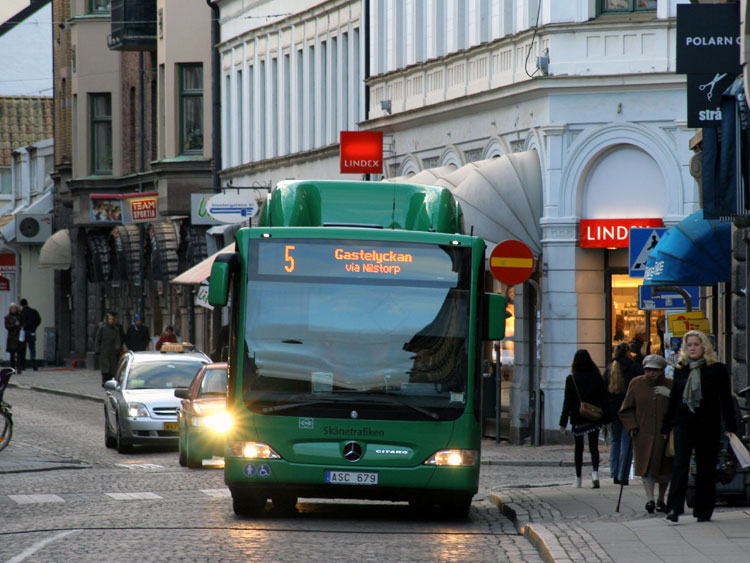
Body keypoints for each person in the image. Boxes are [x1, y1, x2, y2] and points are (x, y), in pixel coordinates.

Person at [661, 330, 736, 523]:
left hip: (707, 423)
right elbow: (674, 398)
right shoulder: (681, 368)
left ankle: (703, 509)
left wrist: (730, 425)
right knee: (680, 464)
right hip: (683, 422)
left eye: (696, 344)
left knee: (706, 467)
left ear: (704, 347)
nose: (692, 348)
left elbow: (725, 399)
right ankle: (674, 508)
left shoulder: (717, 369)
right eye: (689, 345)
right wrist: (666, 425)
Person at [618, 354, 673, 514]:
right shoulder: (636, 384)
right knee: (646, 469)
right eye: (648, 370)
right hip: (643, 434)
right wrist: (632, 426)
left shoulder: (670, 384)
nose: (651, 373)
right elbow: (626, 410)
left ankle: (661, 498)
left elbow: (678, 408)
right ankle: (650, 499)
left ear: (662, 370)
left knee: (665, 470)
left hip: (664, 435)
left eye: (655, 370)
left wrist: (669, 395)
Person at [559, 349, 609, 489]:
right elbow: (604, 398)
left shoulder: (571, 378)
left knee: (578, 448)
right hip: (594, 416)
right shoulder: (597, 377)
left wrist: (563, 422)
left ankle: (578, 478)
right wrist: (606, 418)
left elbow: (567, 402)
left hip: (578, 417)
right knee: (594, 447)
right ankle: (595, 474)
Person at [604, 341, 644, 485]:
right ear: (628, 353)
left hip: (613, 410)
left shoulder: (610, 368)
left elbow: (604, 392)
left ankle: (614, 473)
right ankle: (623, 475)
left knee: (615, 441)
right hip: (629, 410)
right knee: (627, 442)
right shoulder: (634, 368)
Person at [95, 313, 122, 386]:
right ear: (107, 320)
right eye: (110, 319)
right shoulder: (102, 328)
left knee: (112, 368)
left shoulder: (116, 329)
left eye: (112, 319)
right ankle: (104, 381)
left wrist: (117, 348)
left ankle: (110, 381)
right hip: (104, 351)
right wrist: (97, 349)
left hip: (112, 351)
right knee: (105, 368)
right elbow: (98, 339)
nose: (111, 321)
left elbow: (117, 340)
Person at [19, 298, 41, 371]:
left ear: (21, 304)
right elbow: (39, 320)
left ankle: (23, 365)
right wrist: (34, 327)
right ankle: (33, 362)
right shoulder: (33, 311)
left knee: (23, 348)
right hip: (32, 331)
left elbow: (19, 322)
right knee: (32, 348)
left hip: (24, 332)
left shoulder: (21, 312)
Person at [4, 303, 23, 373]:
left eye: (15, 308)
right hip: (12, 336)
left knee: (19, 353)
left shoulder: (20, 316)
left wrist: (21, 326)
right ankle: (12, 368)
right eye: (12, 308)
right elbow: (7, 326)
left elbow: (23, 323)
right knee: (12, 353)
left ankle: (19, 368)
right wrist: (14, 325)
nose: (13, 309)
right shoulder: (7, 317)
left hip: (18, 336)